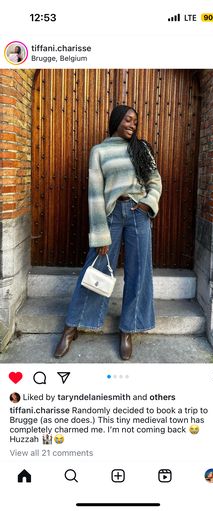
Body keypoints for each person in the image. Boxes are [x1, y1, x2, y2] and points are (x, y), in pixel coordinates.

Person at [54, 105, 162, 360]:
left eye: (135, 121)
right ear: (116, 120)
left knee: (139, 272)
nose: (132, 125)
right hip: (112, 214)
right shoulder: (99, 151)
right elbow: (95, 195)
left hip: (138, 213)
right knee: (97, 267)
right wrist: (100, 234)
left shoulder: (141, 148)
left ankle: (128, 329)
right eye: (128, 120)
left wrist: (148, 203)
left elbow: (155, 180)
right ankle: (73, 326)